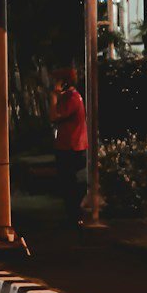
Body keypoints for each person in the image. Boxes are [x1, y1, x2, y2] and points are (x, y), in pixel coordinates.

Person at [50, 68, 88, 225]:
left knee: (69, 182)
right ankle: (72, 214)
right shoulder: (69, 97)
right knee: (67, 182)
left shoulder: (72, 98)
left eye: (57, 81)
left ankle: (74, 215)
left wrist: (53, 98)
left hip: (72, 146)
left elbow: (53, 116)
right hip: (68, 144)